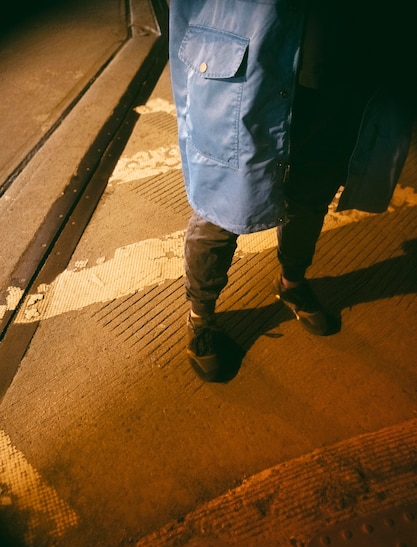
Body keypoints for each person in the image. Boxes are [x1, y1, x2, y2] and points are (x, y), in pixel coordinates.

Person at [169, 0, 414, 381]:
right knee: (222, 206)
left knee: (312, 195)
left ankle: (292, 282)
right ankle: (200, 315)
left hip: (349, 72)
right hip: (251, 73)